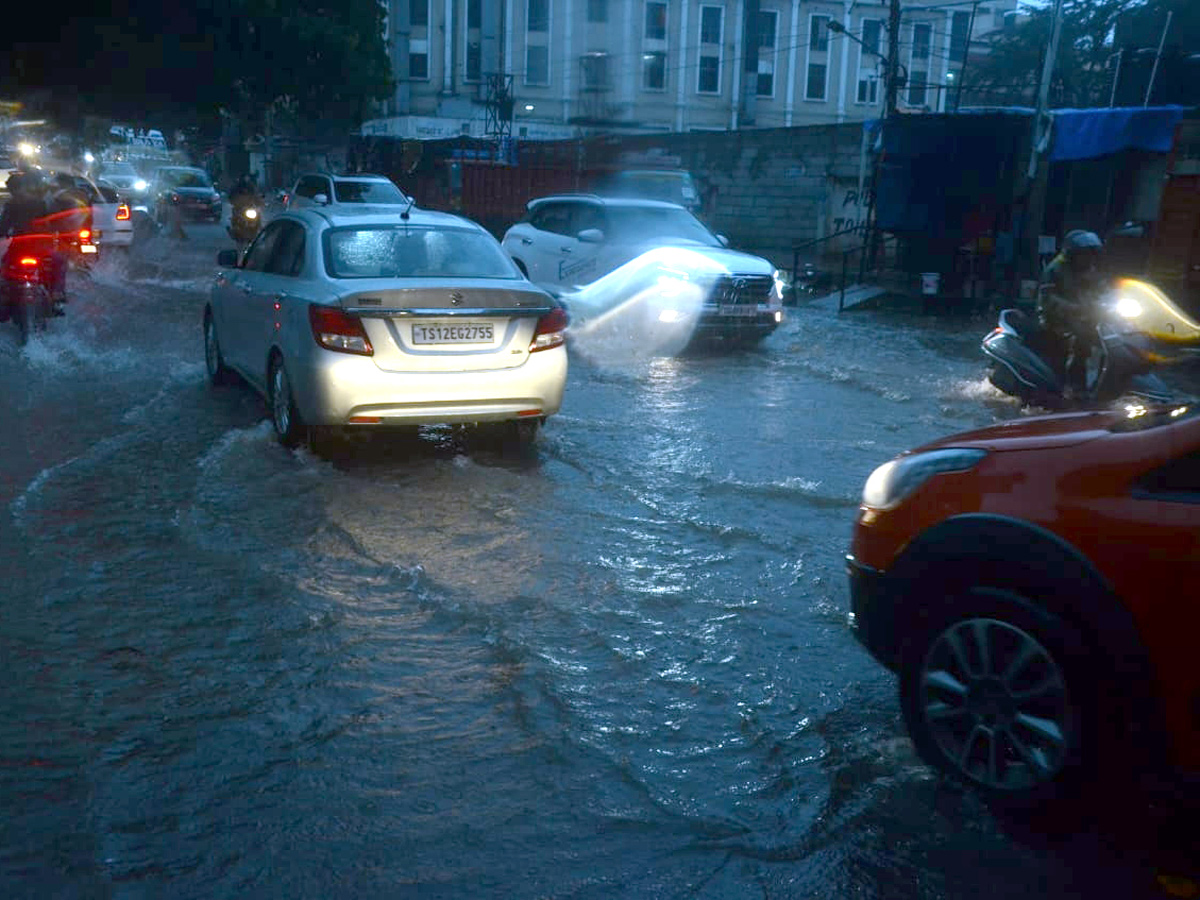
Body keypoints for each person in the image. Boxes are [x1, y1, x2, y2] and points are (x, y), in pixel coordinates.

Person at [1038, 229, 1109, 394]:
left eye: (1091, 254)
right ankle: (1066, 386)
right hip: (1055, 319)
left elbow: (1101, 288)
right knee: (1076, 344)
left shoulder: (1088, 269)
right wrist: (1074, 308)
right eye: (1084, 254)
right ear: (1073, 254)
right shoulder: (1055, 269)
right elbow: (1048, 299)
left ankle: (1098, 383)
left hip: (1083, 317)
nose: (1088, 258)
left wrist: (1110, 299)